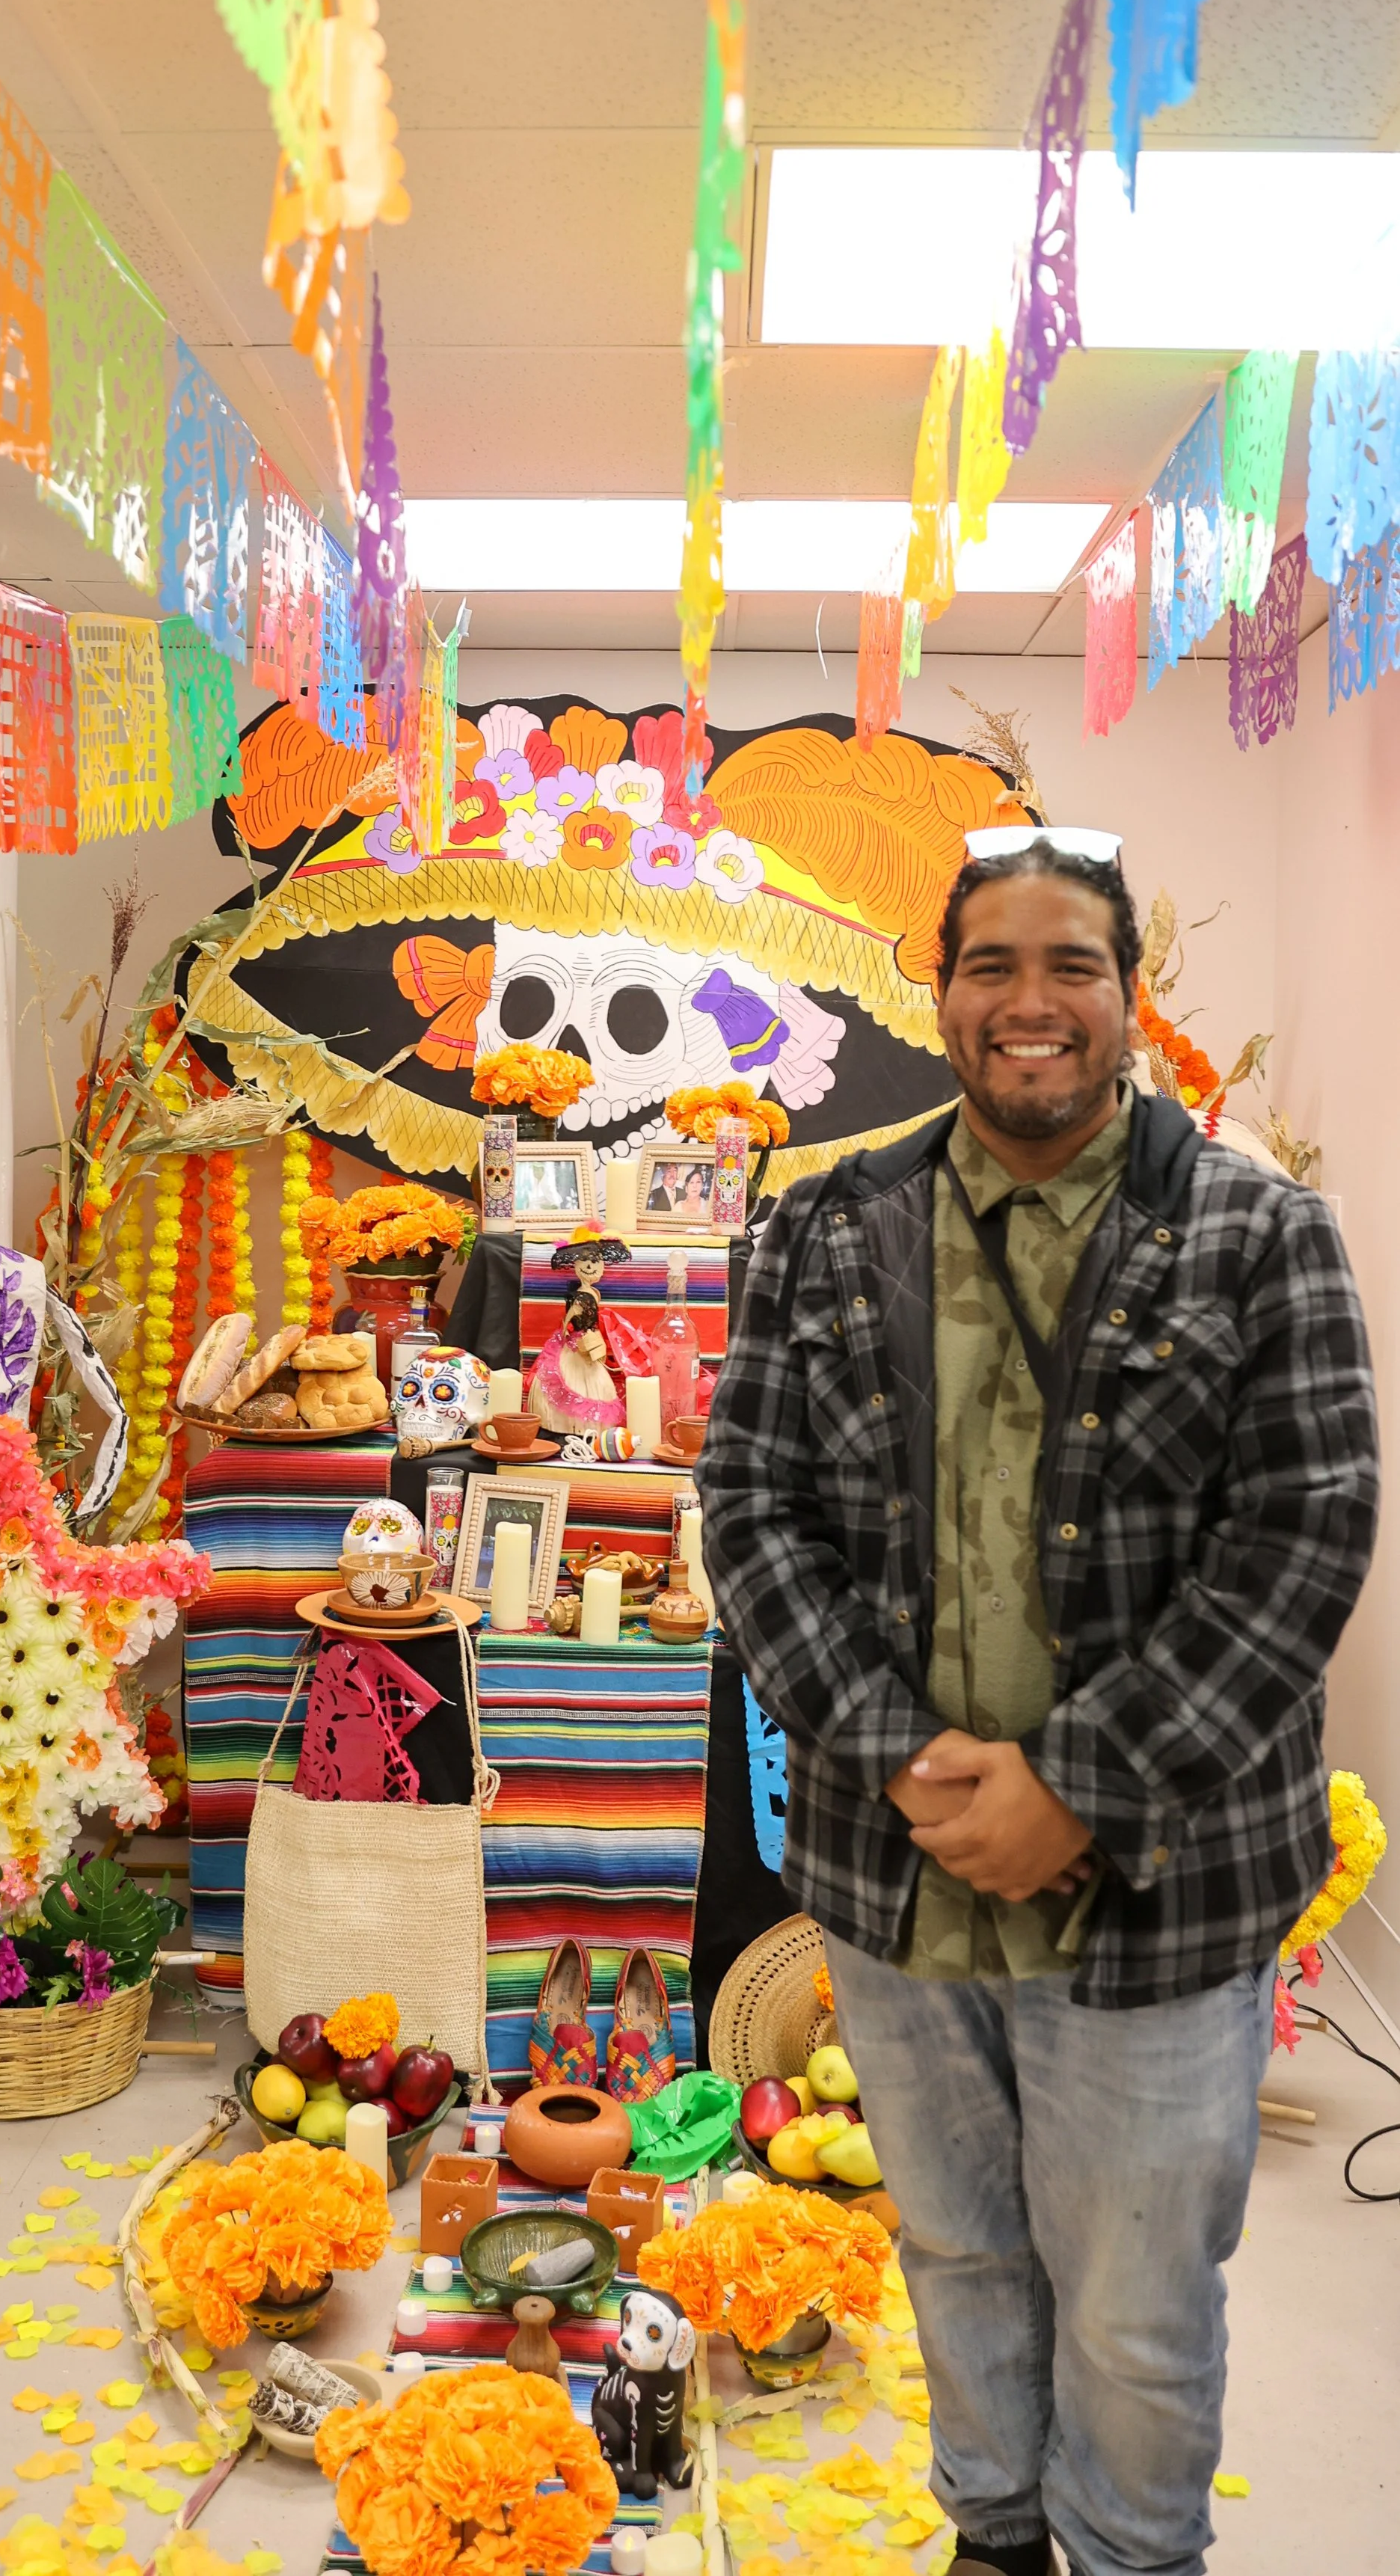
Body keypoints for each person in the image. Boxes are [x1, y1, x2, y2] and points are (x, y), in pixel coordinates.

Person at [698, 831, 1379, 2576]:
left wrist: (1076, 1782)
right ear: (938, 995)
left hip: (1157, 1895)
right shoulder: (823, 1227)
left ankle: (1131, 2558)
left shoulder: (1256, 1234)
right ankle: (991, 2542)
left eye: (1067, 964)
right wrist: (891, 1748)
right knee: (957, 2258)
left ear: (1124, 998)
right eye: (989, 964)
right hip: (893, 1873)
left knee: (1138, 2317)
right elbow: (751, 1508)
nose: (1026, 1003)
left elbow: (1301, 1540)